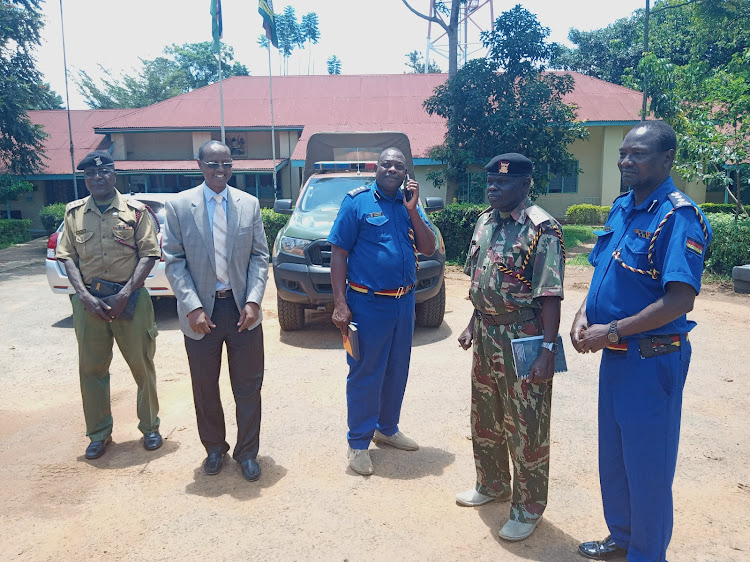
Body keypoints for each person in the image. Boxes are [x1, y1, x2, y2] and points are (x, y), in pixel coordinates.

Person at [571, 121, 712, 561]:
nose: (626, 161)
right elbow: (602, 270)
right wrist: (582, 314)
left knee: (648, 468)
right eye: (623, 154)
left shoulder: (676, 215)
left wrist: (609, 331)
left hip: (651, 362)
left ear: (668, 159)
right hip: (614, 359)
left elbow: (678, 301)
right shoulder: (623, 207)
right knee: (614, 460)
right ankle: (623, 538)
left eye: (639, 154)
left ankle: (647, 554)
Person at [455, 153, 565, 541]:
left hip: (523, 337)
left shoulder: (542, 229)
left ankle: (529, 506)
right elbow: (482, 282)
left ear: (524, 185)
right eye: (490, 182)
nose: (493, 188)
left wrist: (547, 350)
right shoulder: (485, 222)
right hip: (486, 334)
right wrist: (472, 324)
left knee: (526, 427)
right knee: (485, 416)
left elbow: (550, 295)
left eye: (502, 183)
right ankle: (493, 484)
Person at [163, 140, 269, 482]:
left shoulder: (249, 205)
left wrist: (253, 300)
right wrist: (192, 307)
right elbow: (175, 261)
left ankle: (248, 453)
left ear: (232, 165)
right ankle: (214, 448)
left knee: (248, 386)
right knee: (205, 386)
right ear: (199, 164)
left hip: (242, 312)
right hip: (201, 315)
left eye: (226, 163)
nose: (220, 169)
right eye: (212, 163)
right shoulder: (179, 206)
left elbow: (259, 256)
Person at [328, 147, 437, 476]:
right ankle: (358, 442)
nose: (392, 169)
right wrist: (339, 303)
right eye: (386, 164)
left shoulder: (410, 204)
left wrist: (413, 211)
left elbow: (429, 247)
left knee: (396, 369)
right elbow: (338, 253)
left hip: (404, 303)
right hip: (367, 303)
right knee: (365, 373)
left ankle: (386, 428)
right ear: (376, 168)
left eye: (399, 166)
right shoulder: (356, 201)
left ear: (406, 172)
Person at [56, 151, 163, 460]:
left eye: (103, 173)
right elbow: (66, 257)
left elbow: (149, 253)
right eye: (91, 174)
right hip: (89, 303)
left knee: (142, 366)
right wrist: (84, 297)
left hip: (130, 300)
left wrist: (126, 293)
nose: (97, 178)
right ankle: (99, 433)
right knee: (91, 369)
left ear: (114, 176)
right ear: (86, 179)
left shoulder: (136, 210)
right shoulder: (73, 213)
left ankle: (150, 427)